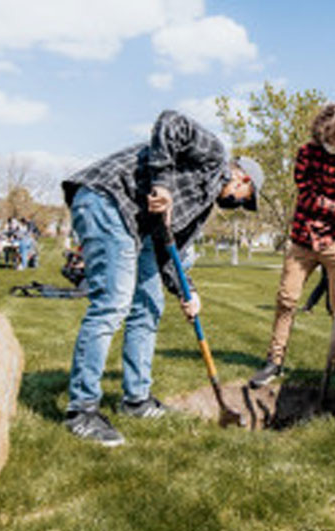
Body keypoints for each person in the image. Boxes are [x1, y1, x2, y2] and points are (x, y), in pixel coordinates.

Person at [60, 109, 264, 446]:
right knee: (113, 303)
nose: (240, 206)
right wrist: (162, 185)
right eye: (246, 200)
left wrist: (189, 292)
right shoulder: (214, 155)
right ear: (242, 179)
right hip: (108, 198)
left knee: (150, 305)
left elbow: (169, 252)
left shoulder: (200, 207)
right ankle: (81, 411)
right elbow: (172, 123)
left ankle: (136, 401)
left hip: (136, 226)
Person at [249, 103, 335, 389]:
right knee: (287, 299)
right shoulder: (307, 154)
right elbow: (307, 197)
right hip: (303, 239)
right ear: (321, 136)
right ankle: (274, 361)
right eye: (330, 143)